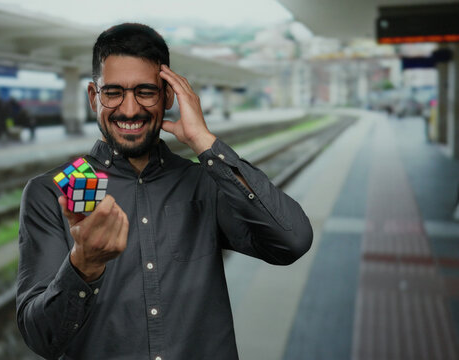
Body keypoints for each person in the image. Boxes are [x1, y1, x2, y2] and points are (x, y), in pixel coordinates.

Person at [16, 23, 313, 360]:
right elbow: (41, 339)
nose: (129, 110)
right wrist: (83, 266)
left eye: (146, 91)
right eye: (113, 92)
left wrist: (204, 141)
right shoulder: (57, 190)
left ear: (169, 95)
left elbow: (292, 241)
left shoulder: (205, 181)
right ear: (92, 97)